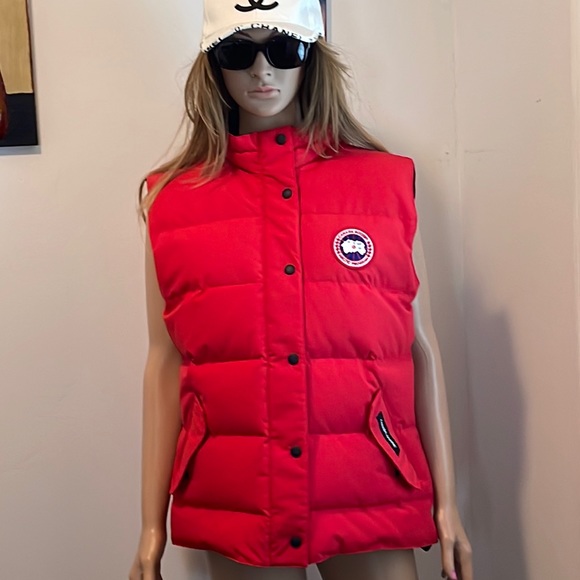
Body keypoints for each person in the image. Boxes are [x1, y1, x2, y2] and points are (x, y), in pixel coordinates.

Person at [129, 1, 472, 579]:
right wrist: (150, 526)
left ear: (312, 57)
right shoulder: (172, 200)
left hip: (369, 479)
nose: (262, 70)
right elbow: (163, 361)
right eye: (238, 51)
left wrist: (447, 504)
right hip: (238, 491)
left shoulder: (385, 185)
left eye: (284, 49)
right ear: (213, 65)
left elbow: (420, 346)